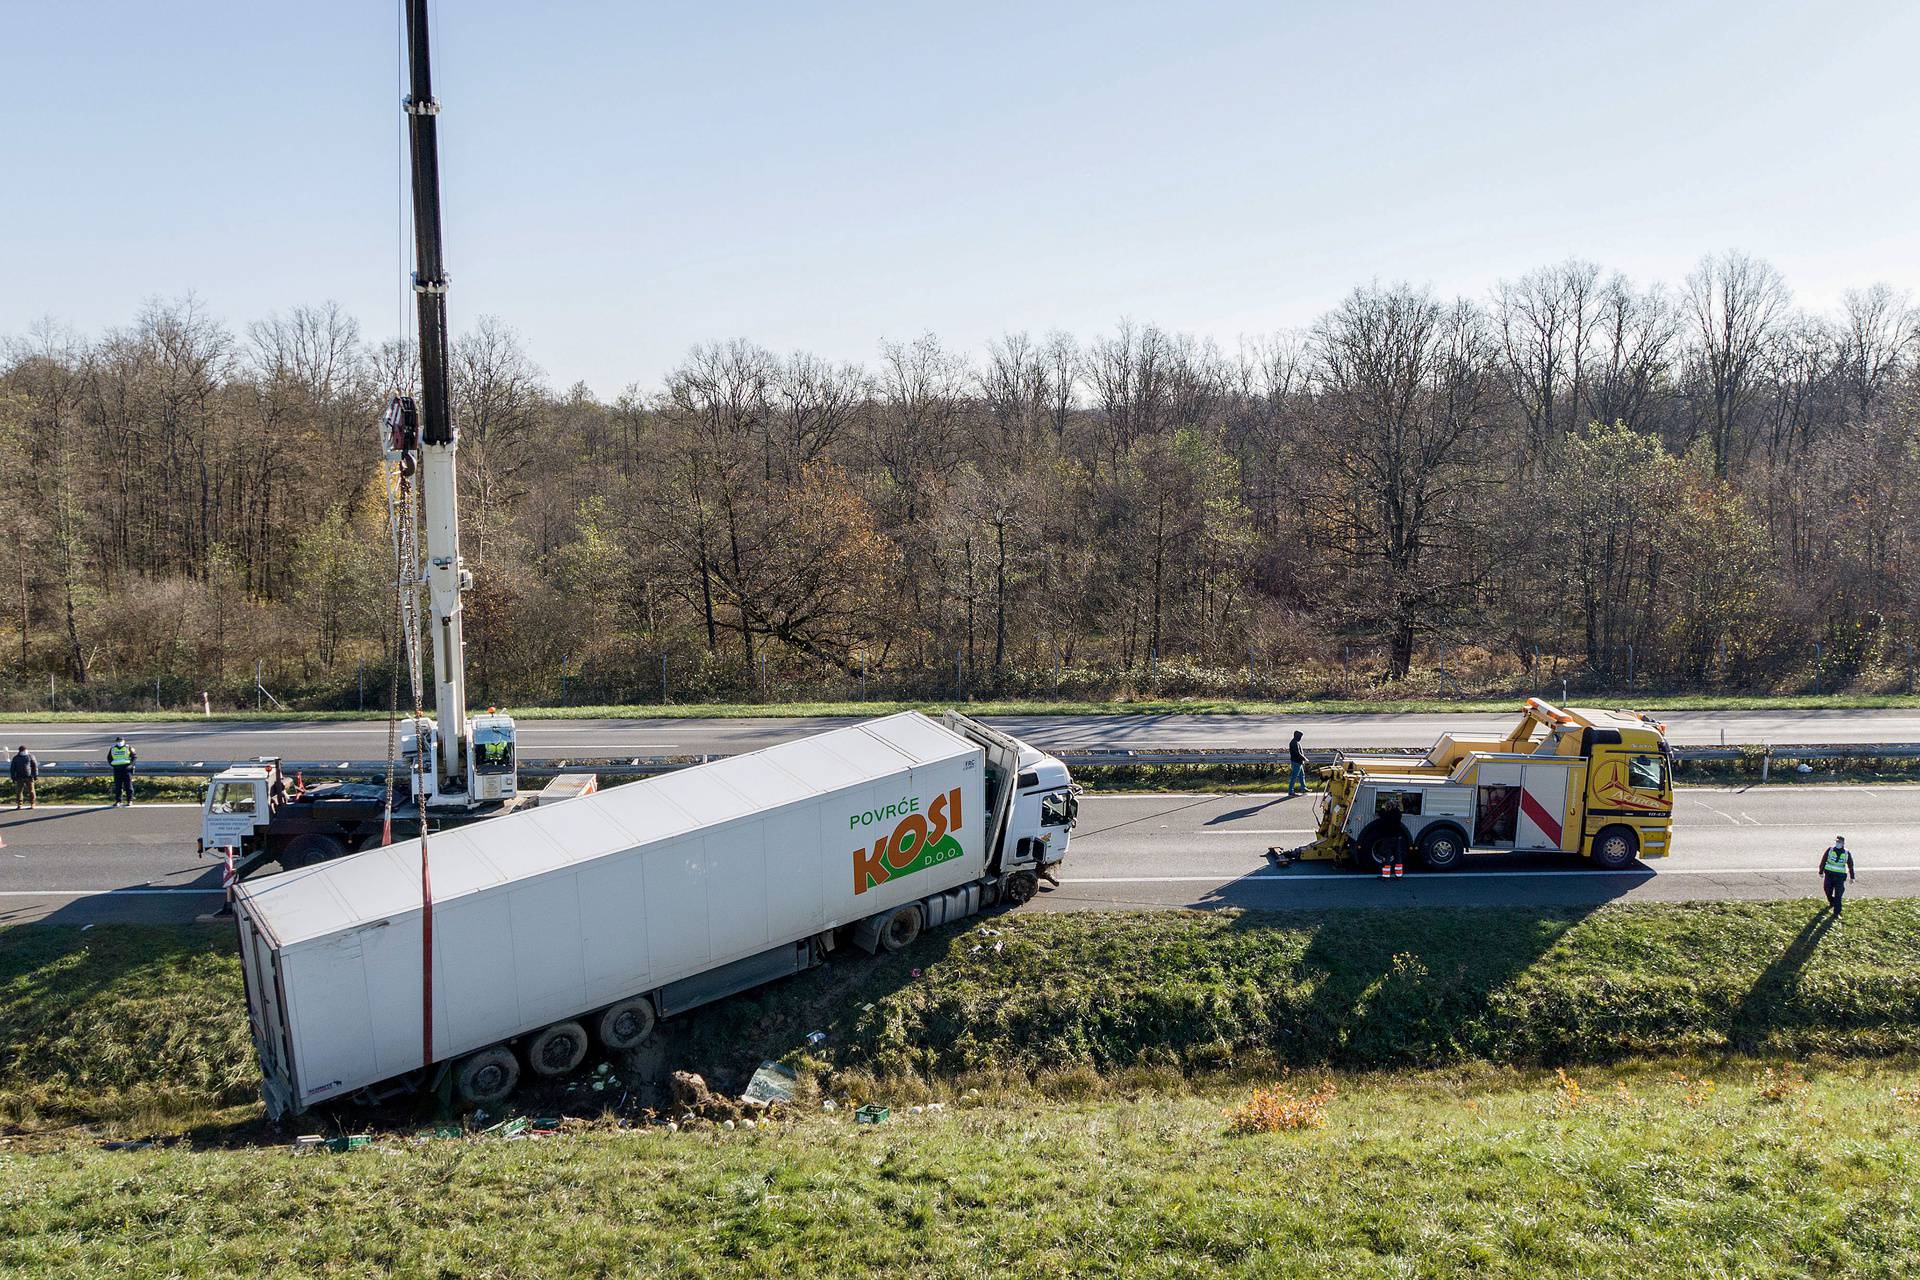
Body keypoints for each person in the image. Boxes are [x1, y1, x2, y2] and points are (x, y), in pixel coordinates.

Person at [1358, 794, 1411, 879]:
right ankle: (1399, 875)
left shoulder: (1386, 815)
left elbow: (1381, 813)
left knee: (1387, 856)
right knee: (1398, 856)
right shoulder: (1398, 814)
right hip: (1397, 837)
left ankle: (1386, 875)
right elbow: (1396, 811)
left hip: (1388, 837)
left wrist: (1382, 808)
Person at [1820, 836, 1855, 918]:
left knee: (1838, 895)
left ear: (1843, 843)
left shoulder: (1846, 853)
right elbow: (1823, 860)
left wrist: (1852, 877)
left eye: (1839, 842)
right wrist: (1821, 871)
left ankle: (1837, 912)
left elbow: (1850, 865)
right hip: (1829, 875)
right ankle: (1832, 901)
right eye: (1837, 842)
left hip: (1840, 877)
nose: (1837, 844)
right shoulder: (1830, 850)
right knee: (1827, 890)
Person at [106, 736, 137, 806]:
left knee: (128, 786)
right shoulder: (113, 749)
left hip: (127, 769)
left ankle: (130, 800)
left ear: (124, 741)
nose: (119, 742)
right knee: (118, 786)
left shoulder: (128, 747)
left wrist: (131, 765)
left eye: (121, 741)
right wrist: (113, 765)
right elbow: (109, 758)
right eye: (118, 741)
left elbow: (134, 757)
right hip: (117, 769)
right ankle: (118, 801)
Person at [8, 744, 37, 810]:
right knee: (19, 791)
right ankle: (19, 804)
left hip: (29, 776)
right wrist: (13, 777)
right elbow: (12, 769)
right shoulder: (16, 758)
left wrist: (35, 775)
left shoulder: (30, 756)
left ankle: (32, 803)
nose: (23, 752)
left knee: (31, 791)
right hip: (19, 777)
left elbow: (35, 766)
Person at [1287, 730, 1307, 797]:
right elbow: (1298, 753)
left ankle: (1303, 788)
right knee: (1294, 777)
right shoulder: (1293, 743)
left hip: (1299, 762)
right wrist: (1304, 758)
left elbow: (1300, 752)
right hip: (1296, 762)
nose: (1300, 738)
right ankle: (1290, 791)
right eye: (1300, 737)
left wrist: (1302, 760)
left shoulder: (1297, 742)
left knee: (1302, 775)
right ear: (1296, 736)